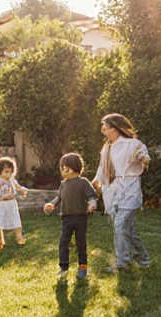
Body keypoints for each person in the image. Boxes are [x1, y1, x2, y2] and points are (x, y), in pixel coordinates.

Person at [91, 113, 151, 273]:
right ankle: (143, 258)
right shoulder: (107, 148)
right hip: (113, 190)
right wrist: (96, 181)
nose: (103, 128)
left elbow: (142, 155)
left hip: (129, 189)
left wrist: (145, 160)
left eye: (106, 125)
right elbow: (101, 167)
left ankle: (122, 263)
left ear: (116, 128)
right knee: (128, 229)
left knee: (120, 225)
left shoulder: (132, 144)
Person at [43, 152, 98, 280]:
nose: (63, 170)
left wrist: (92, 203)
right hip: (66, 217)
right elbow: (59, 197)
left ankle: (83, 267)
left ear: (76, 167)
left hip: (80, 217)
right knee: (63, 242)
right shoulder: (64, 184)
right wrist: (52, 204)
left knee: (81, 243)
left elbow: (92, 195)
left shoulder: (83, 182)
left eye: (66, 168)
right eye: (62, 168)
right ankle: (63, 267)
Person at [0, 156, 30, 245]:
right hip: (2, 203)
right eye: (6, 172)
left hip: (12, 202)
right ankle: (0, 239)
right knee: (0, 220)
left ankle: (19, 236)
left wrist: (22, 190)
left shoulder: (11, 180)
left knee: (16, 218)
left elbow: (17, 186)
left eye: (10, 172)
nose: (8, 174)